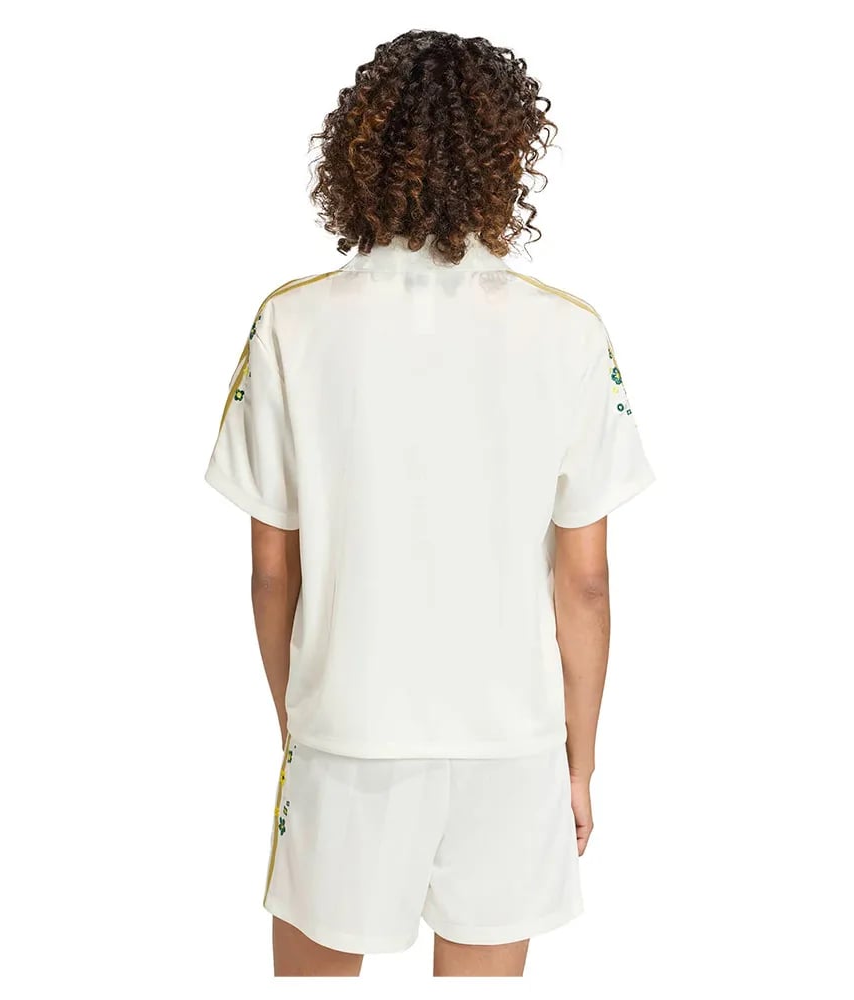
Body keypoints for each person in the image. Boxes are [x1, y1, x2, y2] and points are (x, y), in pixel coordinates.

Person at [203, 28, 655, 978]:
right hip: (511, 742)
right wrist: (579, 763)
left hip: (348, 733)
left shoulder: (292, 323)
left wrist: (300, 727)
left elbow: (271, 571)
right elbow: (586, 585)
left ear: (358, 152)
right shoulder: (569, 333)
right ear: (508, 154)